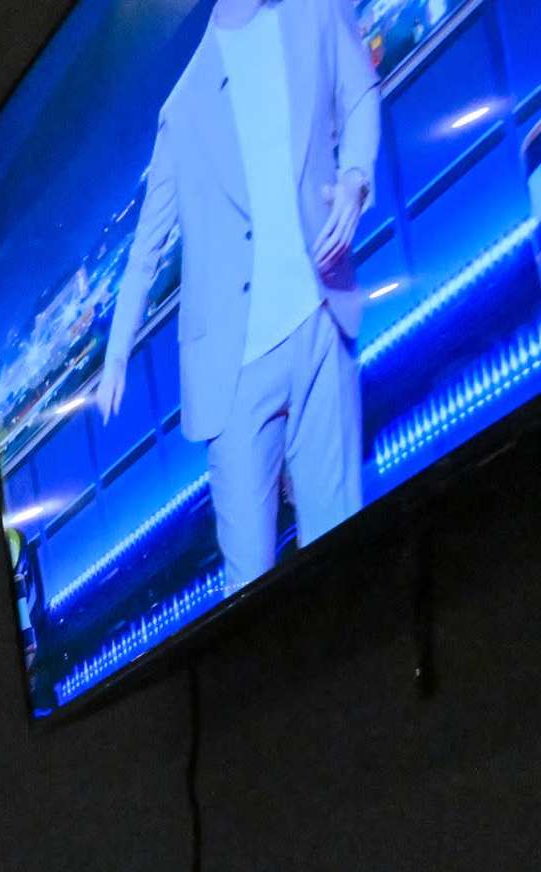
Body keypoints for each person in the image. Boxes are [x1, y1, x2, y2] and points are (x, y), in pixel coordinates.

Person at [90, 0, 379, 592]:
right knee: (250, 588)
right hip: (234, 372)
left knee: (346, 546)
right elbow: (146, 248)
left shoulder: (314, 14)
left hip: (320, 322)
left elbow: (358, 95)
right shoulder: (185, 105)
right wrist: (115, 356)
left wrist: (354, 179)